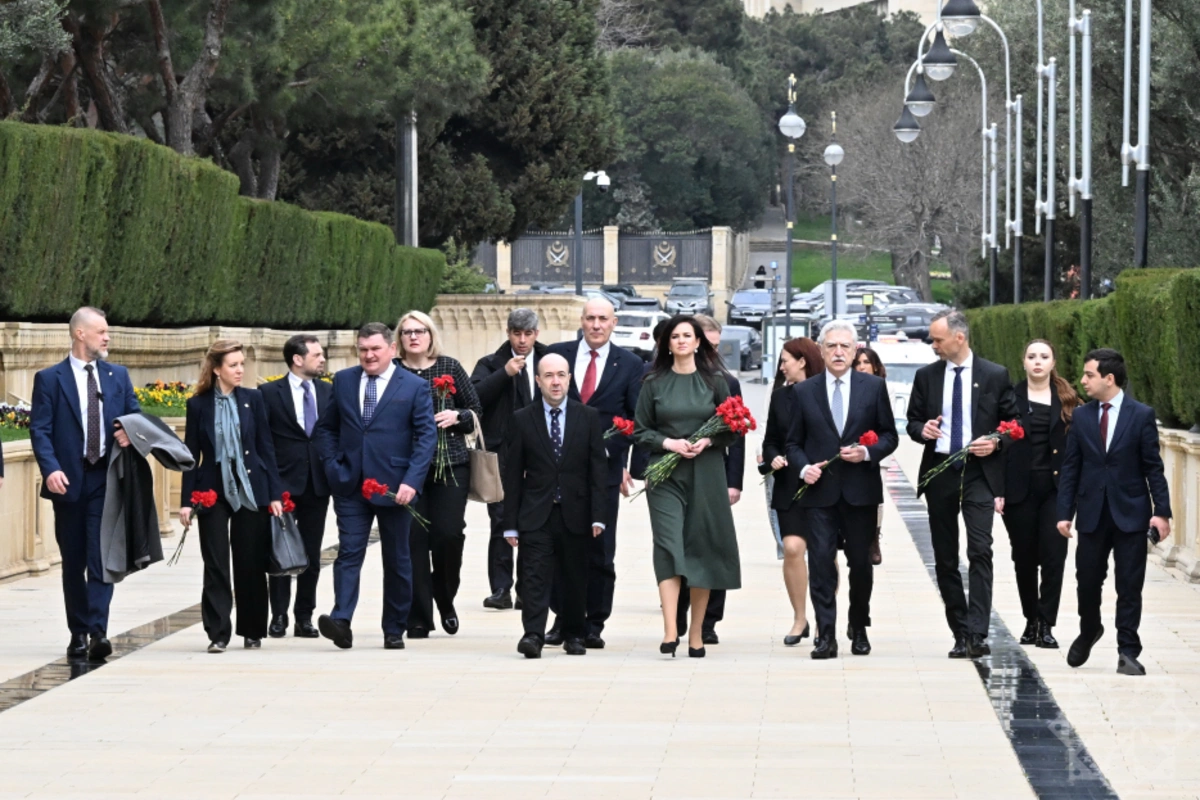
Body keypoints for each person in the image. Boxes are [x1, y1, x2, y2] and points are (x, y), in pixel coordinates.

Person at [313, 323, 436, 650]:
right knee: (349, 551)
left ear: (391, 349)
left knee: (397, 558)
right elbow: (326, 429)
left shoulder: (413, 386)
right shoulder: (343, 380)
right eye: (363, 349)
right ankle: (341, 621)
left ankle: (394, 628)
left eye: (375, 349)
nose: (368, 355)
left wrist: (412, 481)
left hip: (394, 487)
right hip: (350, 483)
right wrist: (332, 464)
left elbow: (426, 438)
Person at [906, 309, 1018, 659]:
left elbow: (1012, 423)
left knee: (980, 549)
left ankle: (979, 631)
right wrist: (921, 429)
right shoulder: (926, 376)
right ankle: (959, 630)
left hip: (979, 473)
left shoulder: (995, 375)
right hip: (941, 469)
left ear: (959, 337)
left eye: (937, 339)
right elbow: (911, 421)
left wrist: (997, 441)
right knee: (944, 555)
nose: (932, 345)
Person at [30, 307, 141, 661]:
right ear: (80, 334)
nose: (107, 337)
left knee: (101, 558)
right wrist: (50, 469)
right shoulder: (50, 379)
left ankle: (98, 631)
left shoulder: (118, 375)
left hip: (106, 480)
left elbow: (135, 416)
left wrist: (129, 432)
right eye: (101, 332)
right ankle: (77, 632)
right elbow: (40, 429)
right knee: (73, 560)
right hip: (69, 482)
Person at [785, 321, 898, 659]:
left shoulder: (873, 387)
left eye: (844, 347)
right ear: (821, 351)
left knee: (860, 564)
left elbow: (889, 435)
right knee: (820, 561)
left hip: (860, 491)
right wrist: (804, 468)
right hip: (820, 493)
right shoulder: (805, 391)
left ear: (854, 351)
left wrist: (867, 452)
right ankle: (826, 635)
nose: (838, 352)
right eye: (831, 346)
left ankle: (859, 625)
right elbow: (793, 442)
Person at [1057, 349, 1172, 676]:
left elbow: (1153, 467)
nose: (1082, 381)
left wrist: (1161, 512)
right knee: (1087, 581)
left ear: (1109, 378)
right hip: (1092, 513)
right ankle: (1090, 628)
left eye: (1089, 375)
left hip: (1131, 513)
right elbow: (1071, 468)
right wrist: (1064, 512)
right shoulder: (1081, 416)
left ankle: (1128, 651)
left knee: (1129, 584)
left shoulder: (1141, 415)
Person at [634, 315, 741, 658]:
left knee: (701, 547)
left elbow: (732, 428)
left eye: (687, 336)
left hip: (706, 473)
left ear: (698, 342)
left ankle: (696, 633)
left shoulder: (715, 382)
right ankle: (669, 630)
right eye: (675, 336)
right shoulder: (653, 382)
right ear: (666, 343)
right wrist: (669, 444)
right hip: (665, 475)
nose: (681, 341)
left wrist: (708, 442)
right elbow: (640, 430)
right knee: (667, 543)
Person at [545, 298, 643, 648]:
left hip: (604, 472)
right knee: (559, 545)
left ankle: (593, 623)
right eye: (590, 318)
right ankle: (562, 619)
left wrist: (605, 452)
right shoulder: (557, 356)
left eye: (603, 319)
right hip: (558, 471)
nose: (596, 325)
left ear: (614, 322)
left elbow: (635, 419)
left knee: (599, 549)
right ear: (581, 321)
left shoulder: (631, 364)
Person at [179, 340, 285, 653]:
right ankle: (218, 633)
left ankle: (252, 630)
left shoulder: (254, 399)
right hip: (211, 491)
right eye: (233, 365)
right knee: (215, 563)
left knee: (250, 561)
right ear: (216, 370)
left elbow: (266, 448)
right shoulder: (198, 405)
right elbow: (190, 455)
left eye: (242, 364)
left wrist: (275, 494)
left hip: (252, 490)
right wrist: (186, 501)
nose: (240, 370)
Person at [502, 354, 608, 658]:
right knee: (534, 575)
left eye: (561, 375)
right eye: (548, 376)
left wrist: (598, 516)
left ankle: (574, 634)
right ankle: (532, 635)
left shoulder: (587, 417)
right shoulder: (523, 419)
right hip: (536, 514)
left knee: (574, 575)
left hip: (576, 513)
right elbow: (512, 476)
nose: (555, 381)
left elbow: (597, 471)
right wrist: (510, 522)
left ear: (569, 378)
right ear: (538, 381)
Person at [395, 310, 483, 639]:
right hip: (408, 469)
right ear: (399, 339)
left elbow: (476, 410)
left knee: (448, 535)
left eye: (420, 331)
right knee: (413, 540)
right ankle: (418, 616)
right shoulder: (394, 372)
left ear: (431, 335)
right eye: (407, 332)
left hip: (452, 464)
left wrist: (457, 415)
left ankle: (444, 597)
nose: (414, 336)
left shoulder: (449, 367)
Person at [998, 339, 1080, 649]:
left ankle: (1047, 624)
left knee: (1054, 557)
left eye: (1044, 356)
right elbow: (998, 447)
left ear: (1052, 362)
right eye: (1031, 356)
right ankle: (1031, 620)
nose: (1037, 361)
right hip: (1019, 490)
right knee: (1024, 558)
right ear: (1023, 361)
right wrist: (998, 491)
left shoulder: (1069, 400)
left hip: (1056, 492)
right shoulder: (1009, 398)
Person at [673, 314, 744, 646]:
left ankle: (709, 620)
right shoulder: (665, 377)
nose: (712, 353)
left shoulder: (725, 382)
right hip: (674, 471)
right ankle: (678, 613)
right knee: (679, 542)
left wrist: (734, 482)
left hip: (712, 472)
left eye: (716, 346)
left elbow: (737, 435)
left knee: (712, 542)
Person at [470, 308, 548, 611]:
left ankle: (528, 589)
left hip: (540, 451)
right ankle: (501, 588)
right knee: (501, 520)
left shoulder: (548, 361)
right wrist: (506, 373)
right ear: (508, 333)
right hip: (501, 453)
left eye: (528, 333)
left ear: (536, 334)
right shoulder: (491, 363)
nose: (522, 340)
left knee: (534, 521)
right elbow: (475, 398)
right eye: (517, 333)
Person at [260, 335, 334, 639]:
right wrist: (271, 488)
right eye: (316, 355)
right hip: (283, 485)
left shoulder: (328, 392)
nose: (322, 359)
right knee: (280, 551)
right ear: (297, 359)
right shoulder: (268, 393)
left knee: (312, 555)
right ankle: (278, 616)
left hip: (318, 484)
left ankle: (305, 616)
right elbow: (262, 442)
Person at [761, 337, 823, 647]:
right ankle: (800, 618)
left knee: (825, 553)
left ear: (802, 360)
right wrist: (772, 455)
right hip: (789, 484)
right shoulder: (780, 397)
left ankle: (826, 616)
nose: (781, 365)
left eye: (785, 359)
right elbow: (770, 439)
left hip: (825, 483)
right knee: (793, 548)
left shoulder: (827, 391)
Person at [853, 347, 888, 566]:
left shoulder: (883, 388)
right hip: (850, 450)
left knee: (876, 500)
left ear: (875, 366)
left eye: (866, 362)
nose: (862, 366)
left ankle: (874, 537)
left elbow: (887, 425)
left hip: (875, 452)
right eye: (857, 363)